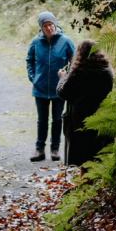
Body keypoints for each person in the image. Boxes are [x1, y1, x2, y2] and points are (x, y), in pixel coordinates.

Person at [56, 40, 114, 170]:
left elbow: (63, 92)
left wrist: (62, 78)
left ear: (80, 54)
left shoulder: (79, 72)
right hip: (102, 116)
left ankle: (86, 185)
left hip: (80, 119)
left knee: (84, 155)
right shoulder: (107, 70)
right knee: (99, 154)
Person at [26, 11, 75, 162]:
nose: (49, 28)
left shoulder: (66, 41)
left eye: (50, 25)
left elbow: (74, 61)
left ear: (55, 24)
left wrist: (68, 78)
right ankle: (39, 149)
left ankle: (55, 149)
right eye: (45, 25)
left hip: (59, 88)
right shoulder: (35, 42)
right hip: (40, 88)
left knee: (57, 119)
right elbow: (29, 60)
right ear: (41, 27)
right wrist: (33, 77)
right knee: (42, 120)